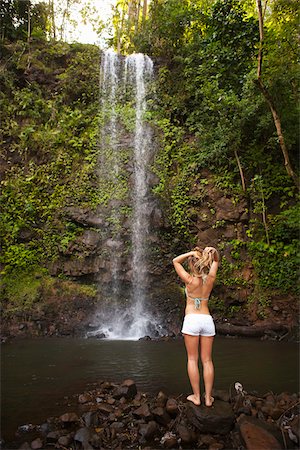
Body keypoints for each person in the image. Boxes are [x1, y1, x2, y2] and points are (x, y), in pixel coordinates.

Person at [173, 246, 219, 407]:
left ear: (191, 265)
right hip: (207, 320)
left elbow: (175, 261)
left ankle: (197, 397)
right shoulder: (210, 278)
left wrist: (190, 253)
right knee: (207, 361)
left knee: (192, 359)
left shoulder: (189, 279)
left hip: (192, 319)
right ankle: (208, 398)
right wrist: (212, 252)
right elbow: (216, 260)